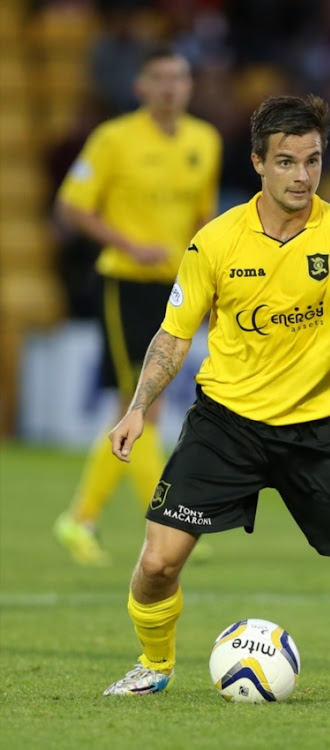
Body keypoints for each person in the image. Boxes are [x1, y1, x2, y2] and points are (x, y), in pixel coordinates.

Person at [102, 94, 330, 697]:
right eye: (287, 162)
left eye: (313, 161)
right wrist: (137, 410)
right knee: (157, 563)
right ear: (257, 163)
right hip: (225, 427)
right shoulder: (215, 241)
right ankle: (154, 665)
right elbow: (173, 336)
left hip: (315, 435)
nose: (302, 176)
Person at [52, 46, 222, 566]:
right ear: (140, 87)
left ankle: (80, 518)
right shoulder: (113, 139)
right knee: (139, 404)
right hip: (125, 283)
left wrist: (213, 283)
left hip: (176, 286)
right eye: (160, 77)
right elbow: (71, 206)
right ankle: (170, 519)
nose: (171, 86)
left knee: (142, 406)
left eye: (180, 77)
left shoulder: (205, 140)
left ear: (190, 86)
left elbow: (204, 219)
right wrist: (129, 245)